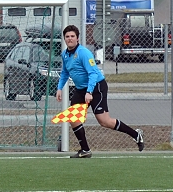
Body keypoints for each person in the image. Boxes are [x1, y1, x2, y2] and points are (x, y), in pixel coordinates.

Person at [55, 24, 144, 158]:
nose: (70, 39)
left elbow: (92, 73)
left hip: (96, 87)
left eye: (72, 36)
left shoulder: (84, 53)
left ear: (77, 39)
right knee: (73, 118)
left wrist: (89, 92)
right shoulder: (65, 55)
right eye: (67, 37)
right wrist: (59, 88)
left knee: (104, 121)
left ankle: (136, 135)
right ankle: (85, 150)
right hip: (80, 90)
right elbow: (65, 73)